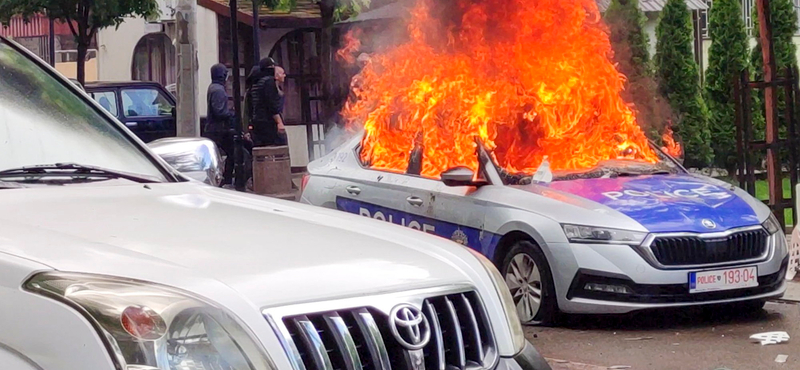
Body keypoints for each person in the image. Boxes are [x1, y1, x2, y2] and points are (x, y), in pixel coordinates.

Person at [204, 63, 236, 186]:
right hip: (220, 130)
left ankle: (222, 178)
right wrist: (231, 113)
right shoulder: (218, 90)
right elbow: (219, 111)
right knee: (232, 153)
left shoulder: (213, 87)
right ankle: (226, 179)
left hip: (214, 128)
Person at [251, 58, 287, 147]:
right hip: (267, 122)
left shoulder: (257, 82)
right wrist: (279, 122)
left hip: (258, 121)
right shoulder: (269, 82)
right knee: (277, 147)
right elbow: (272, 104)